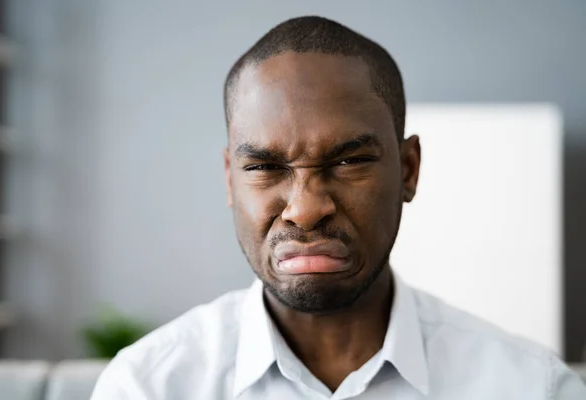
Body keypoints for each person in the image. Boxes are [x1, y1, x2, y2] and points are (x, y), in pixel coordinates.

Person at [91, 16, 586, 399]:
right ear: (229, 178)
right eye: (264, 166)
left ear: (409, 170)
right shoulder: (148, 387)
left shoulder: (529, 387)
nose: (305, 210)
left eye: (349, 160)